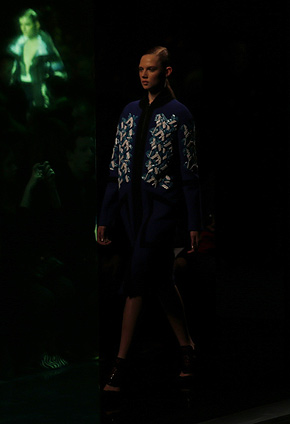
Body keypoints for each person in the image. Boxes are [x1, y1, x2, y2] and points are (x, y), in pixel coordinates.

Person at [97, 46, 201, 393]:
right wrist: (105, 216)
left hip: (162, 209)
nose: (144, 75)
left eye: (151, 69)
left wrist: (194, 222)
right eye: (141, 69)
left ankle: (119, 364)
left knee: (137, 277)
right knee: (160, 280)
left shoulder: (179, 114)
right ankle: (187, 348)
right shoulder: (129, 111)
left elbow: (189, 171)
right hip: (131, 210)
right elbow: (116, 167)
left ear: (166, 72)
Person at [7, 8, 67, 109]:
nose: (23, 28)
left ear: (37, 24)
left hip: (40, 89)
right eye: (21, 24)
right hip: (21, 89)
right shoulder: (17, 45)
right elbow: (12, 69)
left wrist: (52, 87)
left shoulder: (46, 46)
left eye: (27, 24)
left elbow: (58, 70)